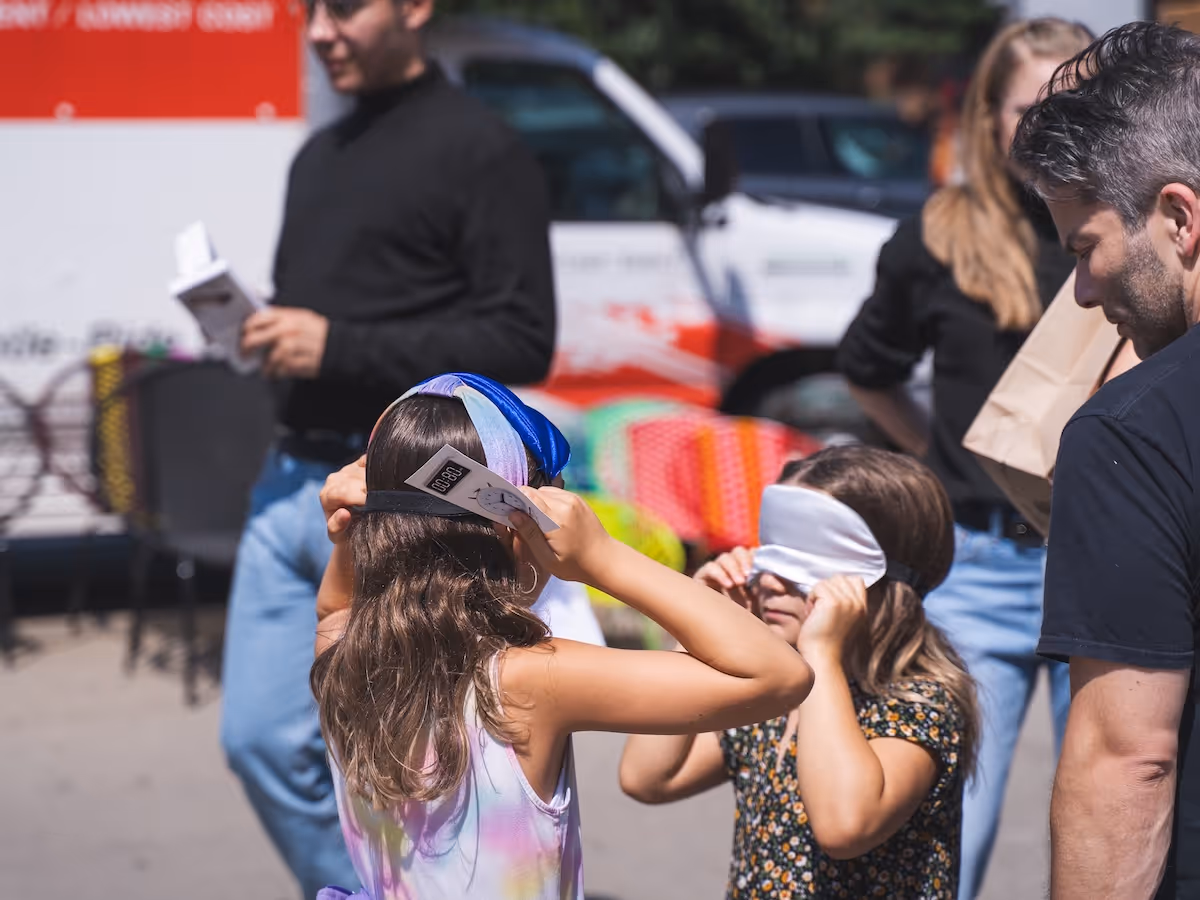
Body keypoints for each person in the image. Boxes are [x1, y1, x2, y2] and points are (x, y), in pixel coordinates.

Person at [219, 0, 559, 894]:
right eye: (310, 13)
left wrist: (339, 345)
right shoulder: (317, 156)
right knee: (256, 739)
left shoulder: (484, 150)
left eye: (343, 9)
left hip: (406, 505)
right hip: (291, 483)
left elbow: (524, 337)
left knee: (411, 761)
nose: (320, 32)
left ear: (414, 8)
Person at [310, 372, 815, 899]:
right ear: (519, 525)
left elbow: (334, 609)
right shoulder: (524, 682)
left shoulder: (344, 657)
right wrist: (604, 558)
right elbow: (779, 674)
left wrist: (349, 533)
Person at [835, 18, 1093, 896]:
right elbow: (867, 367)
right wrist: (935, 454)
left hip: (1097, 560)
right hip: (976, 566)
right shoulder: (938, 237)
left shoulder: (1123, 228)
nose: (1056, 124)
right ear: (989, 116)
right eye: (1033, 107)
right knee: (946, 836)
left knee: (1112, 822)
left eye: (1078, 102)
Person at [1010, 22, 1200, 900]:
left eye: (1085, 249)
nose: (1081, 291)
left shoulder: (1134, 432)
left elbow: (1126, 761)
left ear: (1178, 217)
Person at [620, 446, 979, 900]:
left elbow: (845, 826)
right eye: (771, 552)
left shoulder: (920, 702)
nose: (768, 579)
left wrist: (820, 657)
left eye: (803, 562)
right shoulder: (776, 690)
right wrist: (700, 627)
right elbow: (648, 778)